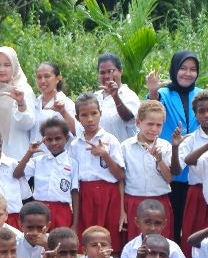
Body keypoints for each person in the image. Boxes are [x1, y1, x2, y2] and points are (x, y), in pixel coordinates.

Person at [145, 50, 199, 239]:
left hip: (195, 168)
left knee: (192, 222)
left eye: (193, 69)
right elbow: (153, 107)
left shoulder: (200, 94)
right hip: (168, 164)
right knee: (170, 221)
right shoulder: (163, 93)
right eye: (183, 68)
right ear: (174, 69)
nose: (187, 73)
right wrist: (152, 90)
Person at [118, 101, 175, 242]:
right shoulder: (126, 147)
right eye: (150, 124)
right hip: (133, 202)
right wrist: (122, 210)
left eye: (159, 125)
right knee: (135, 245)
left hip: (159, 201)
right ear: (138, 122)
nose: (154, 129)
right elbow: (121, 180)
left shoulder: (166, 146)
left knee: (160, 246)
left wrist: (159, 159)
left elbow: (169, 178)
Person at [71, 92, 125, 237]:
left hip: (109, 195)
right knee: (87, 239)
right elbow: (74, 182)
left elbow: (120, 175)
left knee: (110, 239)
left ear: (100, 113)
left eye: (94, 113)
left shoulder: (110, 140)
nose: (90, 119)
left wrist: (105, 155)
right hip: (85, 196)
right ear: (77, 118)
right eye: (84, 115)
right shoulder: (75, 145)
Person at [177, 90, 208, 249]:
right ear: (195, 114)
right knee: (194, 236)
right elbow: (180, 166)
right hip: (197, 194)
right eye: (201, 111)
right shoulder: (190, 140)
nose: (206, 115)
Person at [14, 117, 78, 232]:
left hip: (62, 211)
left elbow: (75, 192)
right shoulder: (37, 161)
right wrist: (29, 153)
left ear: (66, 138)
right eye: (49, 139)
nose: (54, 143)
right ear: (43, 140)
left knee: (60, 243)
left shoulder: (72, 163)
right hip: (38, 211)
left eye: (58, 138)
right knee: (39, 244)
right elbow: (17, 174)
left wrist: (75, 223)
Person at [0, 45, 36, 162]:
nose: (1, 69)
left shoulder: (23, 89)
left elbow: (28, 124)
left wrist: (21, 103)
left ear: (14, 66)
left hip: (17, 156)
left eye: (7, 65)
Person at [96, 53, 141, 142]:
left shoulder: (129, 95)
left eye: (110, 71)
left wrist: (116, 97)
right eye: (102, 72)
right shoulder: (96, 97)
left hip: (123, 153)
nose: (106, 76)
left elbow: (129, 118)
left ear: (120, 71)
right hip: (98, 152)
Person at [32, 61, 75, 138]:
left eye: (47, 76)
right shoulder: (34, 103)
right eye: (39, 77)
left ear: (58, 79)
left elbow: (76, 131)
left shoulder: (66, 103)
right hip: (34, 150)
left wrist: (63, 112)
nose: (42, 81)